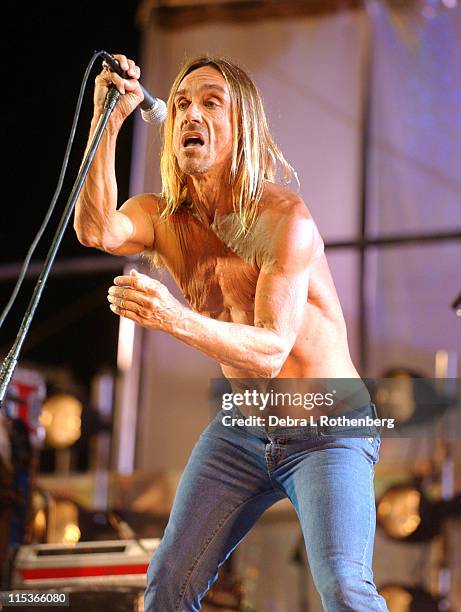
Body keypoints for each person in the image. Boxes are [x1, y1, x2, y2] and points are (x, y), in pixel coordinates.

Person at [74, 54, 388, 612]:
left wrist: (170, 316)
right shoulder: (165, 218)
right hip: (243, 430)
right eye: (183, 105)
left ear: (242, 124)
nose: (192, 114)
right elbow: (97, 227)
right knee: (168, 582)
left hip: (326, 428)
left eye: (211, 103)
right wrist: (108, 118)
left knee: (344, 587)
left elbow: (270, 350)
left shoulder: (284, 220)